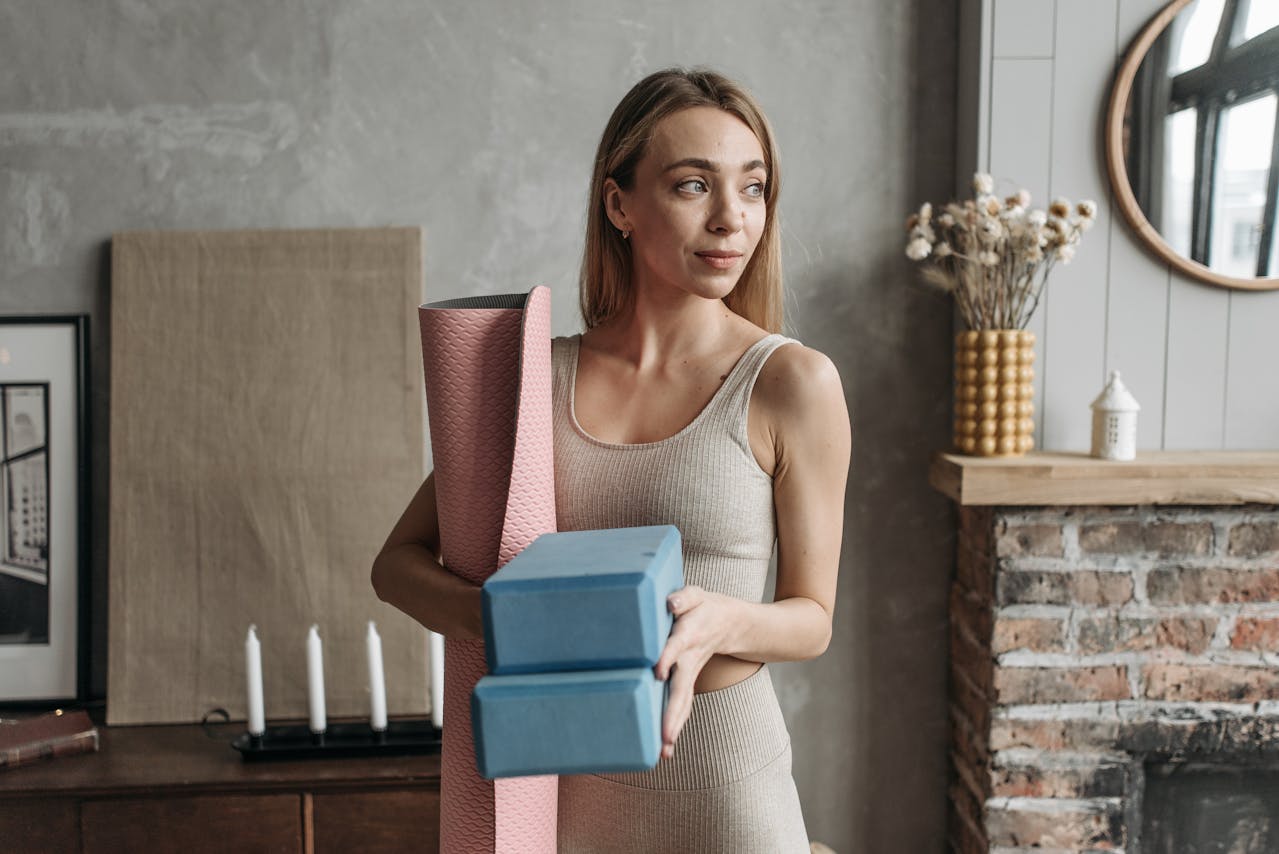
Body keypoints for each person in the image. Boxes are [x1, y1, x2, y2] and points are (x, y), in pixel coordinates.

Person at [372, 67, 851, 853]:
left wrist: (718, 619)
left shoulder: (792, 383)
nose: (732, 218)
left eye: (754, 187)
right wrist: (503, 621)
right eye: (694, 185)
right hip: (563, 787)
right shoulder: (535, 378)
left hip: (725, 784)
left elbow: (812, 620)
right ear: (619, 203)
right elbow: (395, 565)